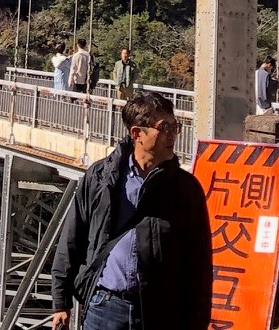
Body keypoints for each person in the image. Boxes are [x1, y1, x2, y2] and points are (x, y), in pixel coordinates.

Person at [51, 90, 212, 330]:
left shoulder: (185, 189)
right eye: (164, 127)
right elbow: (73, 238)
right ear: (137, 133)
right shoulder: (100, 178)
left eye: (175, 126)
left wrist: (196, 322)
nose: (173, 135)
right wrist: (60, 302)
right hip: (104, 307)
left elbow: (199, 264)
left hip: (160, 313)